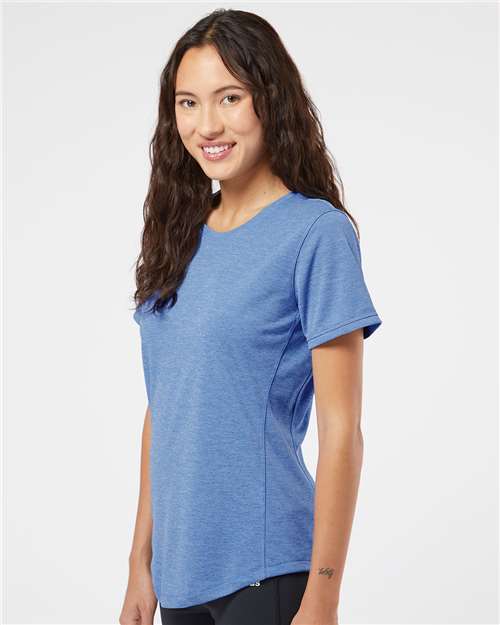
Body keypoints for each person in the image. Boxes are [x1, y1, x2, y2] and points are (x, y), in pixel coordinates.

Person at [120, 8, 382, 625]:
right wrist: (140, 562)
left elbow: (341, 430)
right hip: (180, 577)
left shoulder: (315, 233)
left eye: (230, 97)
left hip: (268, 569)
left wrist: (324, 596)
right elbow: (166, 407)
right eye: (188, 103)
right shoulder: (179, 237)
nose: (207, 124)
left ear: (271, 100)